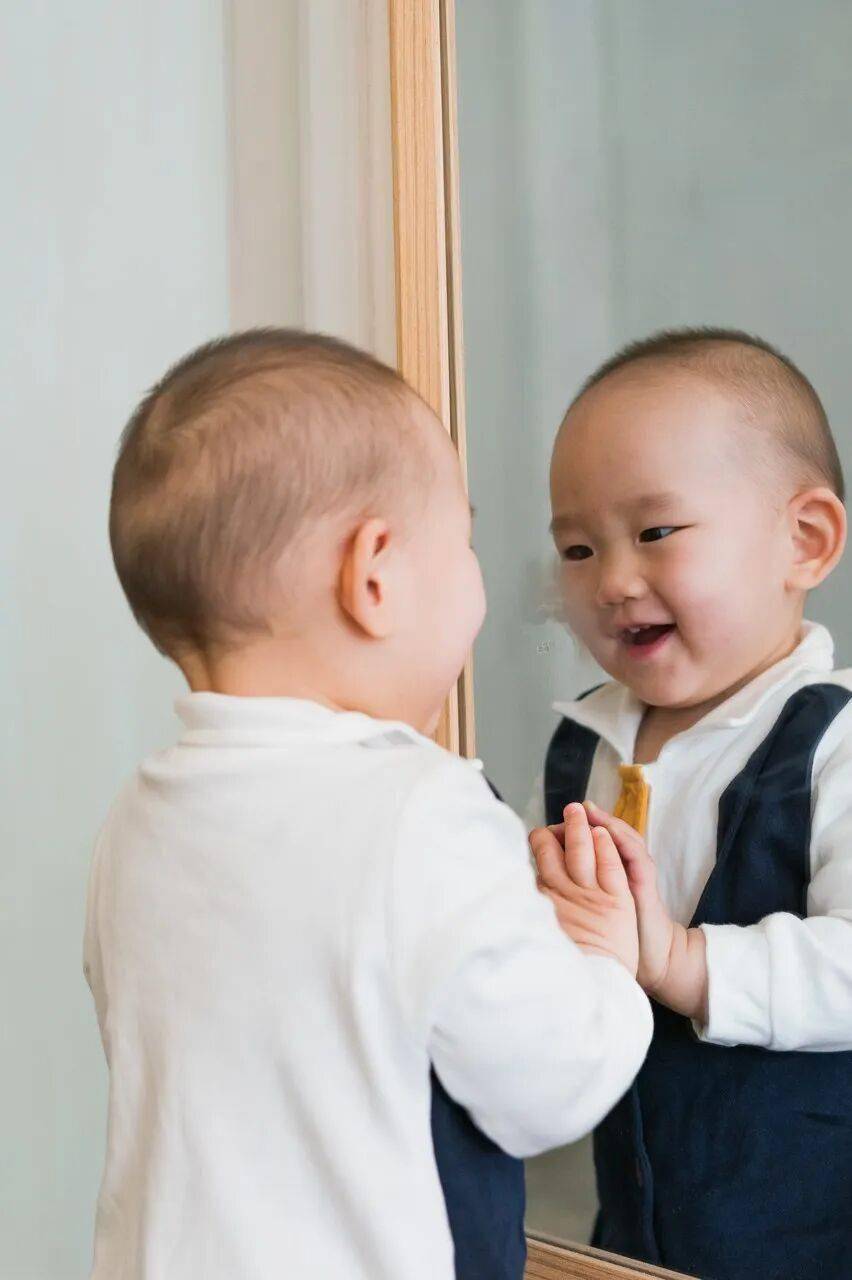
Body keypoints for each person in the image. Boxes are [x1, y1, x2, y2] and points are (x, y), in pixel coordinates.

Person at [85, 329, 652, 1280]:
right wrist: (606, 962)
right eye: (463, 542)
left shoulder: (137, 820)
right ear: (375, 575)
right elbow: (546, 1088)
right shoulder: (421, 810)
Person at [532, 327, 852, 1280]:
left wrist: (678, 960)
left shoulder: (835, 744)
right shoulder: (584, 745)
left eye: (656, 533)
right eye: (578, 547)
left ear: (805, 541)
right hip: (632, 1226)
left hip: (807, 1237)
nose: (612, 581)